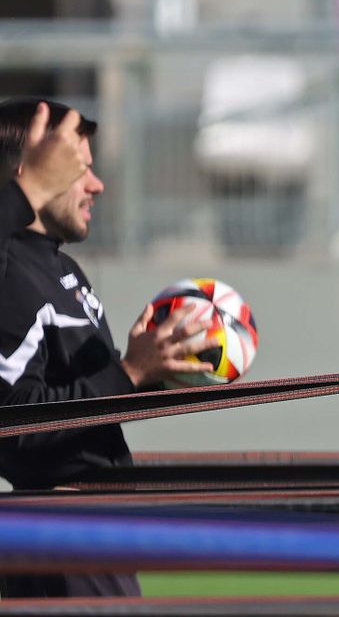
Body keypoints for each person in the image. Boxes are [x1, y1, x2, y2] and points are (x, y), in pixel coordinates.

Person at [0, 99, 216, 600]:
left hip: (95, 526)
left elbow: (93, 403)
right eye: (81, 170)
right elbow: (12, 425)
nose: (97, 185)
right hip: (60, 533)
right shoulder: (10, 276)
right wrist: (128, 373)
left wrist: (160, 368)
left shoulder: (64, 271)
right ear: (29, 169)